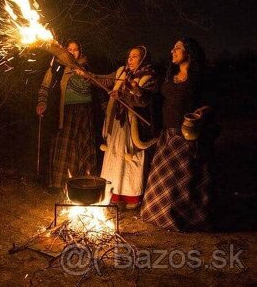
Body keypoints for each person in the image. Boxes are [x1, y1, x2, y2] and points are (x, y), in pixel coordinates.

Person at [141, 37, 217, 231]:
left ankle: (188, 219)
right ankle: (159, 215)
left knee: (186, 180)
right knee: (163, 179)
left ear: (189, 53)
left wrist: (203, 112)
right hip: (168, 134)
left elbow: (212, 101)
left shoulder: (200, 78)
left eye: (177, 48)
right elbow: (153, 100)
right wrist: (135, 91)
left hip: (188, 135)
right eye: (173, 48)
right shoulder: (169, 78)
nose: (172, 51)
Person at [79, 46, 158, 209]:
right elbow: (103, 80)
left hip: (133, 126)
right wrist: (86, 75)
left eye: (135, 56)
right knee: (114, 158)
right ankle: (112, 195)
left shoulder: (149, 78)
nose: (130, 59)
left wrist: (126, 94)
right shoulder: (122, 72)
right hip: (117, 124)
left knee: (130, 160)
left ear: (143, 59)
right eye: (129, 56)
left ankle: (130, 199)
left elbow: (144, 102)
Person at [36, 40, 97, 191]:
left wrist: (84, 75)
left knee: (84, 148)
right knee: (64, 149)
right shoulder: (56, 67)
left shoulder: (85, 66)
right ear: (64, 51)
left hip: (84, 112)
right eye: (69, 49)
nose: (72, 52)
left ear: (80, 52)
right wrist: (42, 103)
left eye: (75, 50)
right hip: (65, 113)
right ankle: (59, 184)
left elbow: (92, 86)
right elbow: (44, 87)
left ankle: (84, 184)